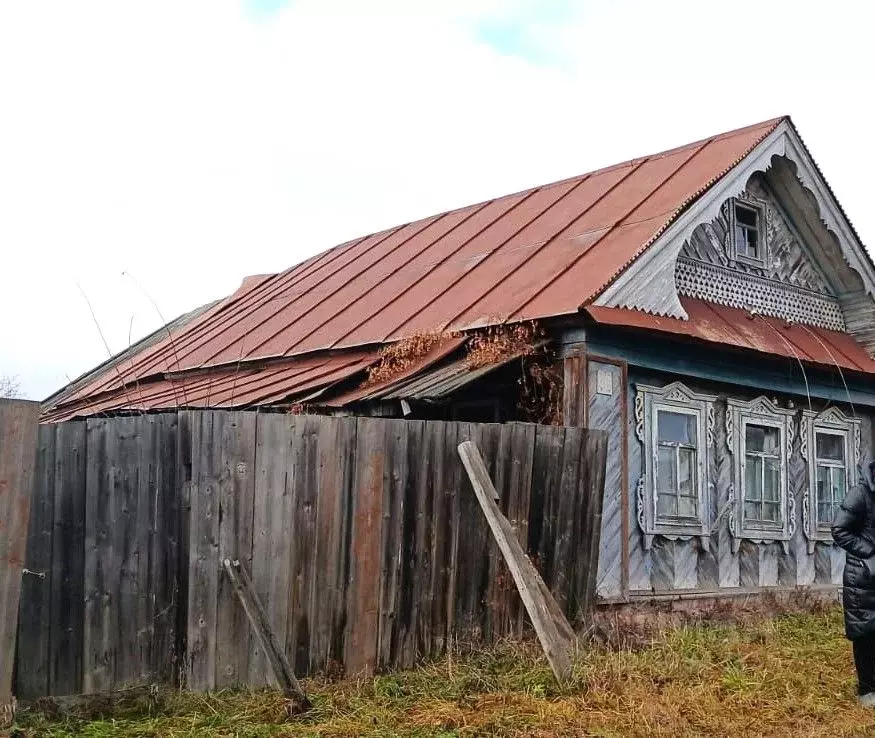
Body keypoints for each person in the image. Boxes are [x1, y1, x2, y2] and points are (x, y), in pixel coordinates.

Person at [832, 459, 875, 706]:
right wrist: (869, 550)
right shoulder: (860, 494)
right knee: (865, 634)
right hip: (861, 578)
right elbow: (839, 530)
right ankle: (867, 690)